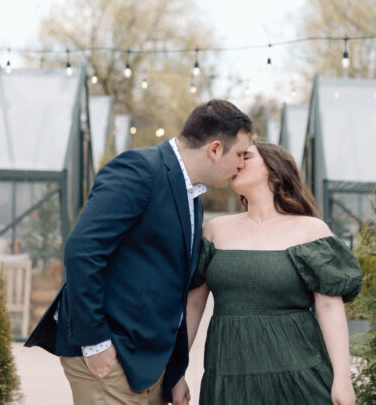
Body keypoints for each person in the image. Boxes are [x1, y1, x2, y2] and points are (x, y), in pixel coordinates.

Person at [25, 99, 253, 405]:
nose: (242, 164)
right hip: (110, 356)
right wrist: (95, 344)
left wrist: (173, 373)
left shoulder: (193, 199)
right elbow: (83, 251)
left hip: (148, 365)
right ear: (214, 149)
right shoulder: (139, 169)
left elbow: (170, 288)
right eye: (240, 154)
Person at [174, 142, 361, 405]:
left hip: (300, 377)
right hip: (229, 379)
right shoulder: (215, 230)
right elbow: (193, 305)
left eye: (246, 156)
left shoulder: (311, 230)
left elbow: (330, 307)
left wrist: (343, 380)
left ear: (274, 172)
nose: (236, 162)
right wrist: (177, 372)